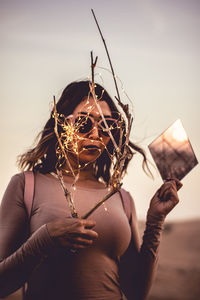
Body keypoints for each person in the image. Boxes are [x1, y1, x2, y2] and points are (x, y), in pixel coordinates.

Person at [0, 81, 181, 300]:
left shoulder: (121, 198)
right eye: (84, 123)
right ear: (61, 125)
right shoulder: (27, 186)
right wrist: (42, 241)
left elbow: (137, 292)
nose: (95, 133)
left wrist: (155, 221)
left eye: (107, 126)